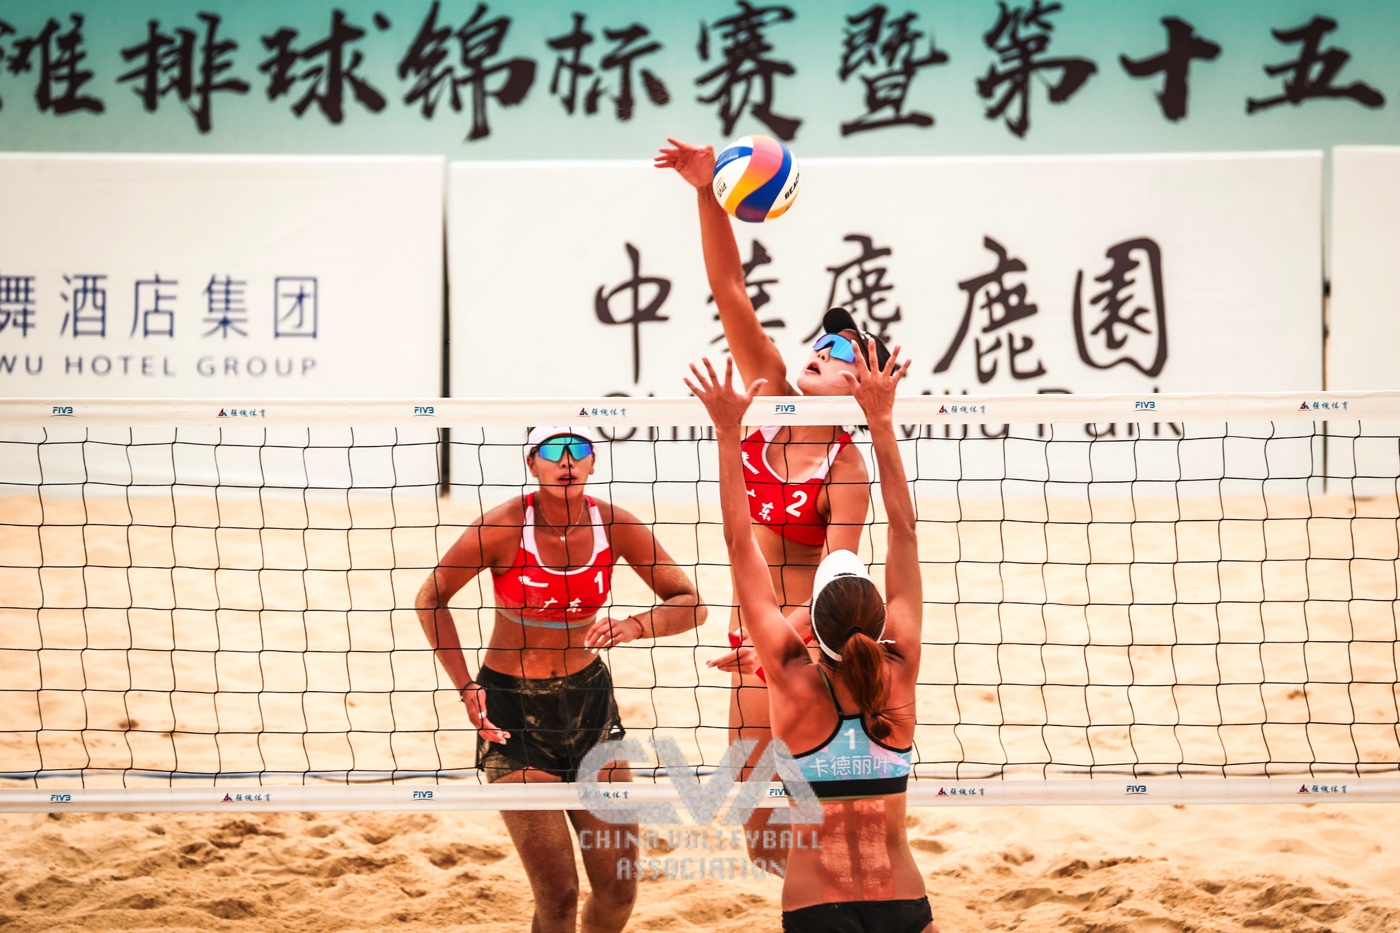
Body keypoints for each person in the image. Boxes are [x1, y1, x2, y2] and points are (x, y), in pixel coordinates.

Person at [657, 136, 893, 871]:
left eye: (843, 351)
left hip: (808, 639)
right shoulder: (768, 393)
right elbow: (730, 288)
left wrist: (774, 642)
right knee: (755, 820)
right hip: (754, 626)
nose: (823, 348)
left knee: (813, 806)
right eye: (823, 339)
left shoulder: (846, 467)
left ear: (861, 386)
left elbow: (835, 583)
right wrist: (706, 189)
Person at [415, 426, 705, 933]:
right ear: (532, 464)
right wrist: (464, 684)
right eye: (552, 451)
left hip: (589, 704)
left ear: (593, 463)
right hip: (511, 711)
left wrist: (637, 625)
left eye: (579, 451)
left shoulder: (616, 524)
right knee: (558, 896)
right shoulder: (501, 526)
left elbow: (691, 604)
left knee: (618, 889)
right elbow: (430, 598)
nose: (566, 461)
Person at [686, 349, 936, 933]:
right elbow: (903, 529)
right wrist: (881, 420)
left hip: (816, 904)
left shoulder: (790, 680)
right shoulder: (899, 673)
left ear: (810, 628)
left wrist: (726, 432)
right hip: (902, 898)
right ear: (881, 621)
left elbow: (739, 543)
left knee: (761, 832)